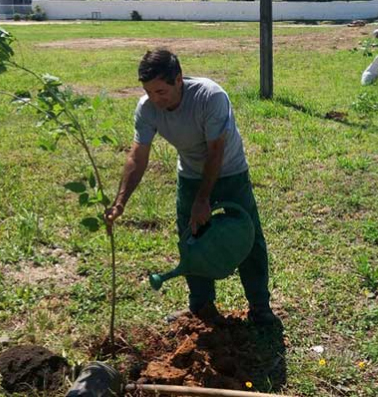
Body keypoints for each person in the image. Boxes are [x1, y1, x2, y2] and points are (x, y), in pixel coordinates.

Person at [104, 48, 278, 325]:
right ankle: (202, 307)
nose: (155, 99)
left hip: (230, 171)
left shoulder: (210, 96)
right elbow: (138, 154)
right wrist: (120, 201)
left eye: (161, 91)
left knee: (248, 237)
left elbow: (216, 150)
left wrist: (203, 200)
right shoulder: (147, 108)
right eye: (149, 92)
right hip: (190, 175)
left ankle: (260, 307)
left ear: (179, 79)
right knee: (192, 241)